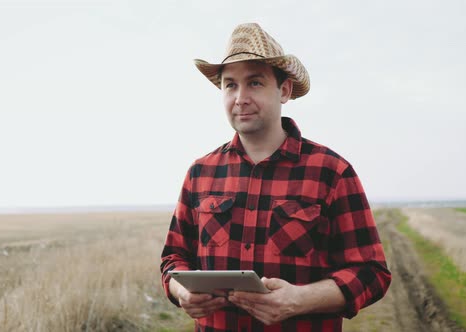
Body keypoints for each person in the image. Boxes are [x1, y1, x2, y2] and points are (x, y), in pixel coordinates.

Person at [160, 23, 391, 331]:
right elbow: (173, 258)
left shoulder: (331, 172)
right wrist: (182, 292)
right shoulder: (200, 173)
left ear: (284, 91)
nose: (240, 97)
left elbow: (372, 273)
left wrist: (301, 299)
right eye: (230, 85)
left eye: (254, 83)